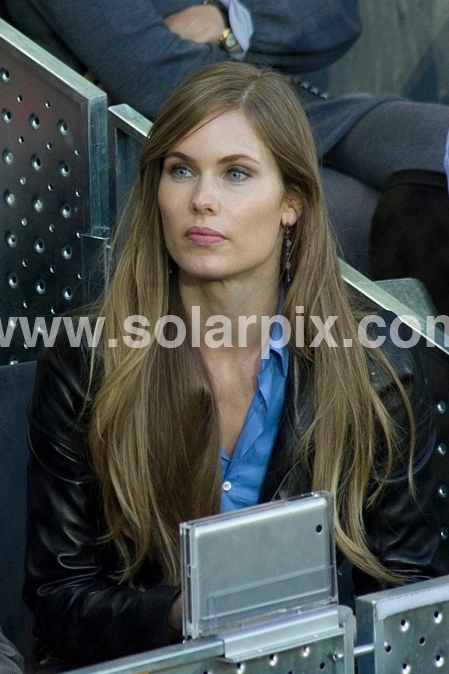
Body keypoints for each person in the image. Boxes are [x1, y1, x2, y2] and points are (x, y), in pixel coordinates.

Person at [24, 62, 447, 672]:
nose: (201, 199)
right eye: (181, 169)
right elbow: (58, 602)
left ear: (291, 203)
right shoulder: (87, 358)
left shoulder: (376, 366)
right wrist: (180, 615)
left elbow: (407, 600)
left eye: (236, 173)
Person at [6, 0, 449, 302]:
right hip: (148, 145)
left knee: (438, 146)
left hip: (291, 105)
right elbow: (153, 76)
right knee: (398, 215)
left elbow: (334, 14)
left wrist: (227, 18)